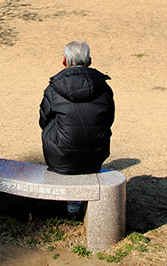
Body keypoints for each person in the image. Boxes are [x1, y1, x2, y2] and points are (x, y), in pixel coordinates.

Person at [39, 41, 115, 215]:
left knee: (53, 126)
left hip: (60, 155)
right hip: (96, 154)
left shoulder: (53, 89)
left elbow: (43, 121)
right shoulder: (104, 88)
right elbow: (109, 120)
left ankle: (72, 203)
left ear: (64, 61)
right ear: (89, 61)